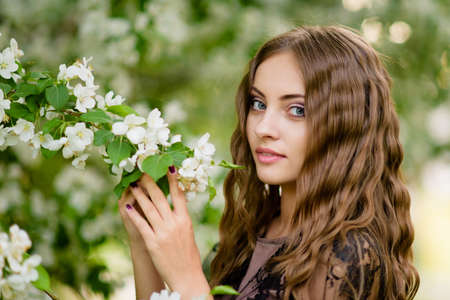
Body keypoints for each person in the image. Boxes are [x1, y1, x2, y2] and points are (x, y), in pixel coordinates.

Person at [118, 24, 420, 300]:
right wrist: (146, 246)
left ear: (346, 125)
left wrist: (187, 279)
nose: (263, 128)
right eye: (259, 104)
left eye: (297, 110)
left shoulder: (350, 256)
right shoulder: (250, 234)